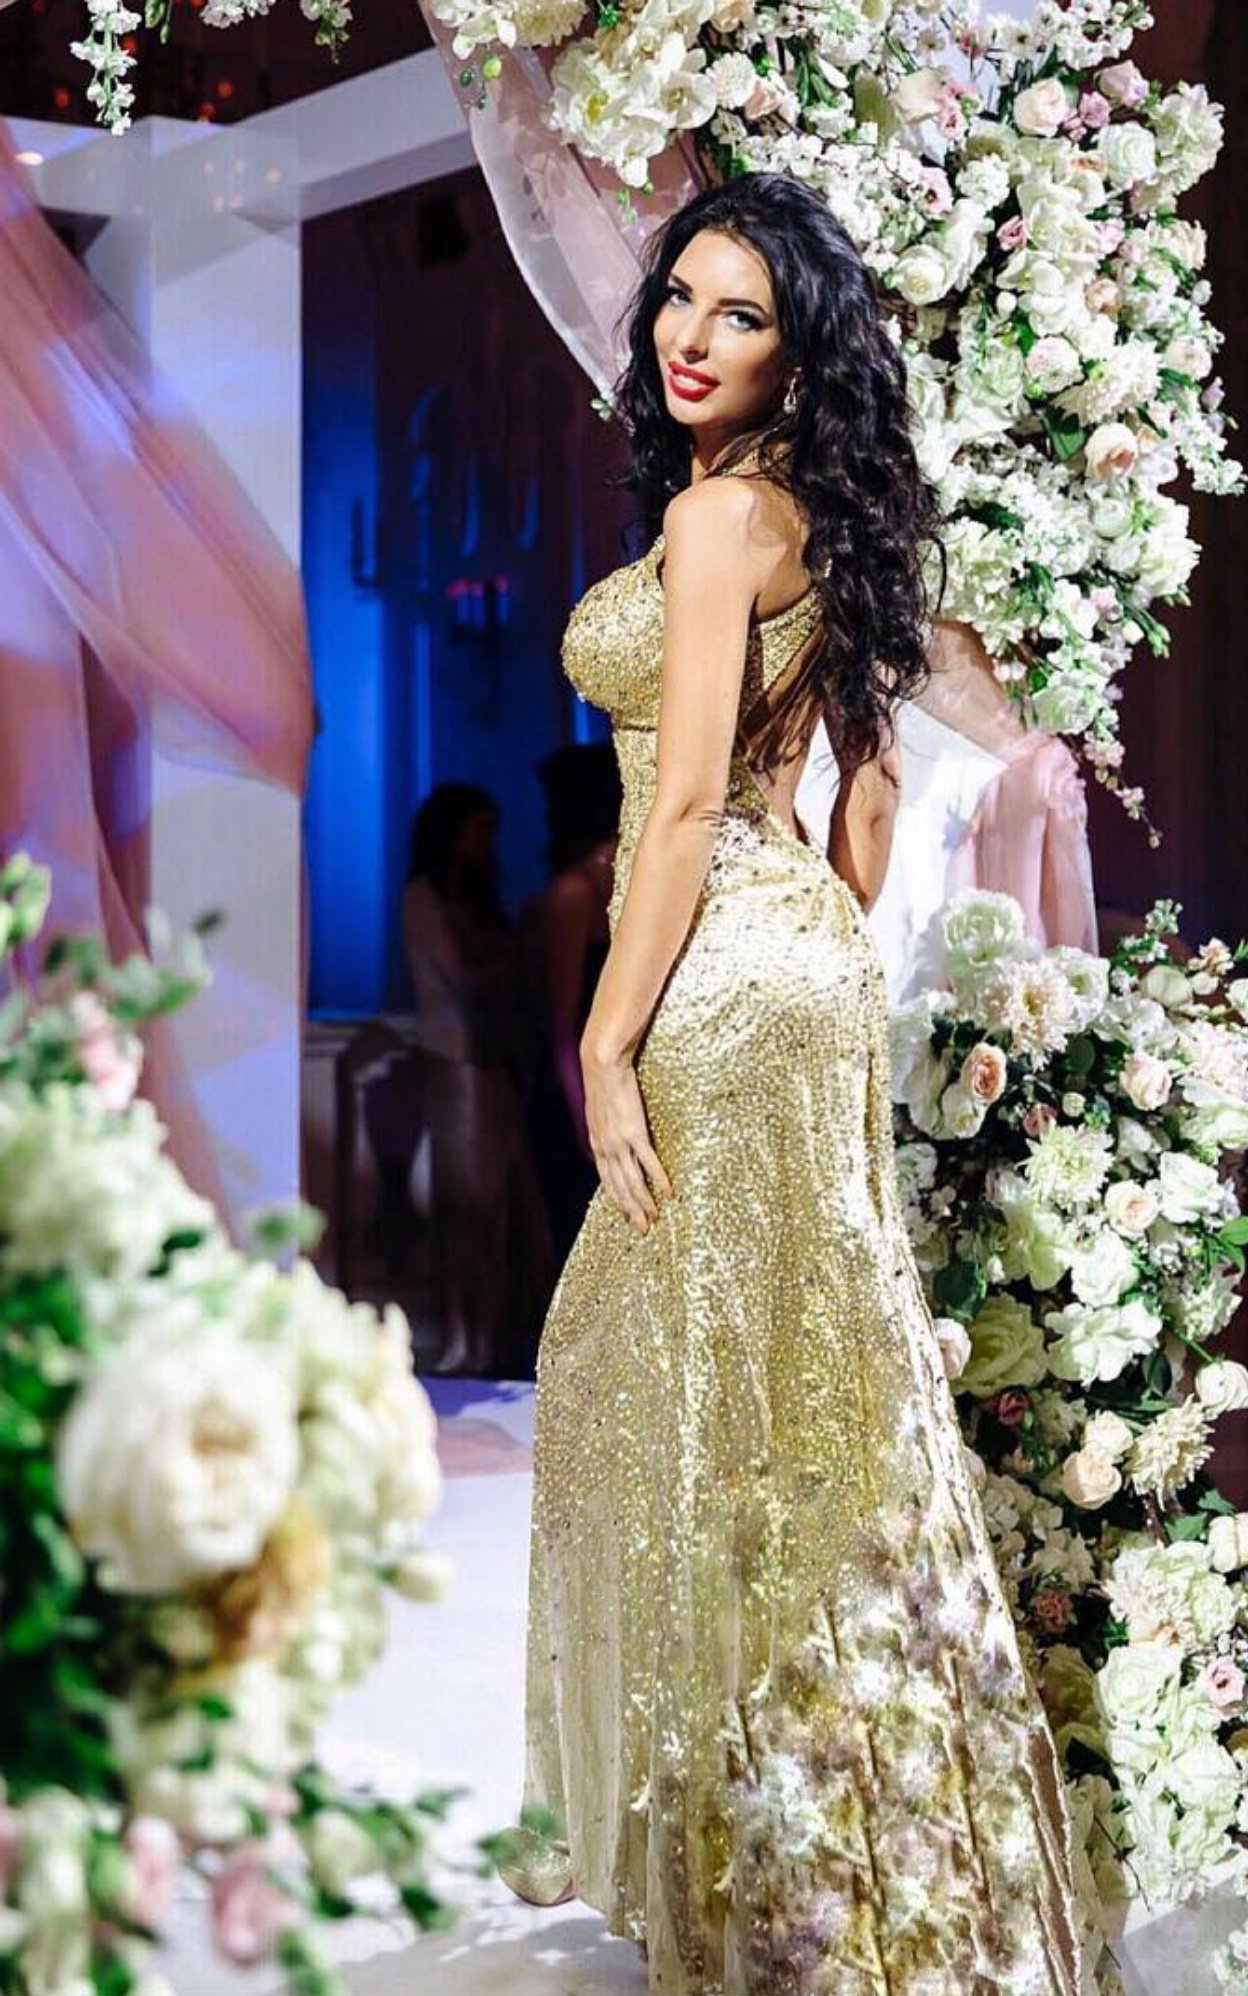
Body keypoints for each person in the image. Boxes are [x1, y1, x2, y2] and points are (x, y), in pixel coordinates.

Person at [498, 174, 1084, 1995]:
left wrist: (604, 1037)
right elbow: (868, 790)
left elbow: (679, 810)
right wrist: (810, 929)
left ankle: (775, 1880)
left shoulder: (716, 520)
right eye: (680, 296)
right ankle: (843, 1858)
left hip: (710, 970)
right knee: (802, 1406)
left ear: (795, 352)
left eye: (737, 314)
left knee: (694, 1411)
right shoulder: (804, 515)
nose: (689, 335)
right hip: (791, 964)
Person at [401, 782, 549, 1375]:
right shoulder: (423, 897)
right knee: (464, 1205)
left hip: (490, 1060)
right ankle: (463, 1337)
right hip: (455, 1060)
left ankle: (485, 1336)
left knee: (495, 1208)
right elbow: (460, 978)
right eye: (479, 829)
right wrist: (513, 959)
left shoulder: (476, 899)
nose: (488, 843)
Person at [521, 742, 621, 1269]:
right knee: (578, 1243)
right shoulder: (573, 894)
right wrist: (581, 1107)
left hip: (618, 1077)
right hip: (574, 1082)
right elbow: (561, 1020)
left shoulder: (630, 876)